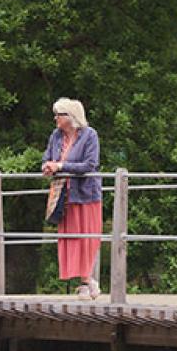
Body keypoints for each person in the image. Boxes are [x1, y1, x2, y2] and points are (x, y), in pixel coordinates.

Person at [42, 98, 102, 300]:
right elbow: (47, 157)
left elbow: (89, 165)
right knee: (70, 238)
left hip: (85, 194)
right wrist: (47, 166)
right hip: (63, 194)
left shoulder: (89, 135)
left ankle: (86, 282)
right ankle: (85, 282)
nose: (55, 118)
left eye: (59, 114)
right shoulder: (56, 136)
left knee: (86, 238)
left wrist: (60, 166)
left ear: (71, 117)